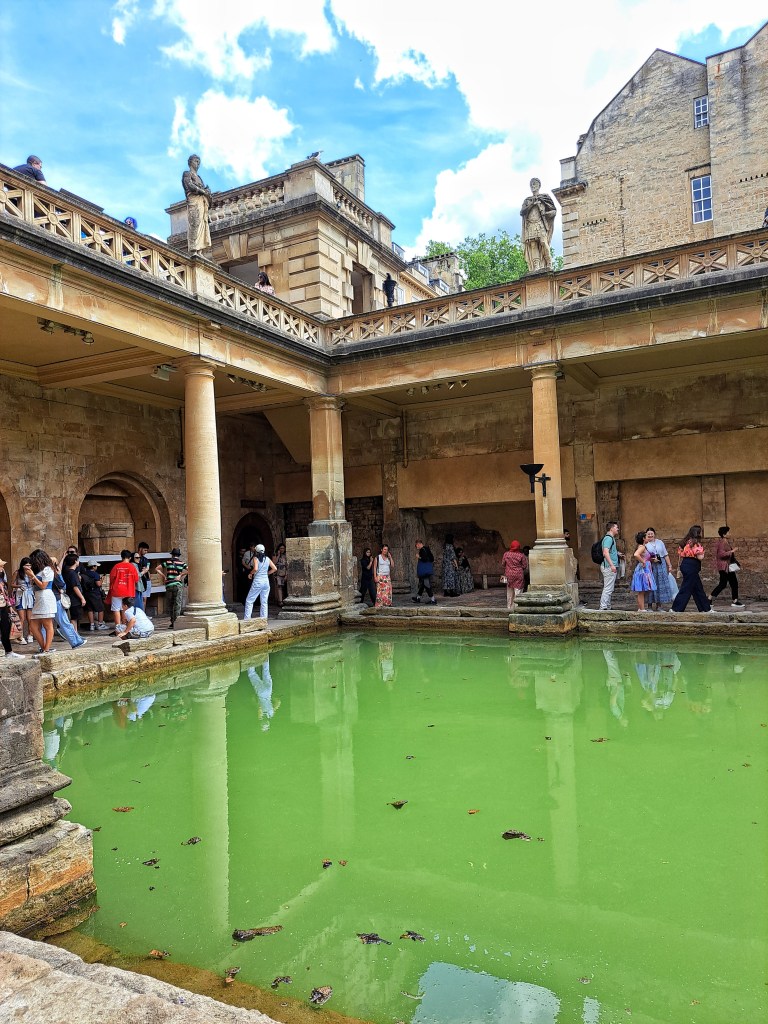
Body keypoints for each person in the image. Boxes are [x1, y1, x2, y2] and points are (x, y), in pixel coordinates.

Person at [671, 525, 712, 613]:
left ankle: (705, 608)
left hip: (685, 564)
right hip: (692, 565)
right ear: (697, 533)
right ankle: (675, 608)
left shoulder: (684, 542)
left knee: (697, 588)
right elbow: (700, 557)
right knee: (686, 588)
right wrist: (703, 553)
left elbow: (680, 553)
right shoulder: (695, 543)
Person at [520, 177, 556, 272]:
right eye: (531, 184)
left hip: (540, 223)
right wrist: (532, 204)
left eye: (535, 184)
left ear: (539, 185)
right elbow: (522, 212)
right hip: (530, 225)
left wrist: (546, 213)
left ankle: (548, 262)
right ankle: (536, 266)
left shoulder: (544, 197)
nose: (533, 186)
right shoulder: (527, 200)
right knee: (533, 245)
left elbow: (553, 211)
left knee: (543, 242)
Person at [26, 549, 57, 653]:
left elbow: (43, 586)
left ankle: (46, 649)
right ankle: (44, 647)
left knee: (48, 624)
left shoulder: (48, 569)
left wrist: (33, 576)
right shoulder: (40, 570)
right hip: (38, 598)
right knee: (33, 625)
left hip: (46, 597)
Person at [182, 154, 213, 253]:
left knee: (202, 225)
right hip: (194, 201)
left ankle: (200, 250)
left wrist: (206, 190)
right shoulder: (187, 173)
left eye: (199, 162)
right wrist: (202, 191)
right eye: (196, 161)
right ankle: (193, 249)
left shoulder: (199, 177)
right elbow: (189, 185)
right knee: (195, 222)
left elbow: (202, 188)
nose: (198, 164)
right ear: (190, 162)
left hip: (201, 201)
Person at [710, 525, 744, 608]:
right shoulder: (722, 542)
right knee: (723, 584)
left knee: (733, 583)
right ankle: (709, 598)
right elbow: (721, 555)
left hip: (727, 567)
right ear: (724, 534)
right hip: (725, 567)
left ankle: (735, 600)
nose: (730, 533)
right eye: (728, 532)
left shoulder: (724, 541)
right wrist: (732, 551)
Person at [108, 550, 140, 630]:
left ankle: (118, 628)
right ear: (130, 558)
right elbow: (136, 579)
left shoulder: (116, 566)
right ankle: (125, 626)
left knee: (116, 609)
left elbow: (111, 578)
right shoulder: (132, 567)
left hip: (117, 591)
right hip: (129, 591)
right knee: (126, 609)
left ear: (121, 557)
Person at [61, 553, 88, 646]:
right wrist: (82, 598)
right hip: (74, 598)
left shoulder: (66, 571)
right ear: (75, 561)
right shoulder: (72, 573)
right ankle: (74, 635)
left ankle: (76, 635)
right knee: (74, 618)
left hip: (69, 596)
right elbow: (75, 587)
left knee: (74, 617)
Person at [244, 544, 276, 620]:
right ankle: (264, 619)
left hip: (258, 581)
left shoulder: (255, 558)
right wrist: (267, 573)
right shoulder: (267, 559)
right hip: (266, 582)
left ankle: (247, 619)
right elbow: (274, 568)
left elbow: (255, 568)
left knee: (249, 600)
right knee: (264, 602)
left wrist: (250, 573)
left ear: (256, 551)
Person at [644, 528, 674, 610]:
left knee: (660, 584)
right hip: (651, 566)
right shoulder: (645, 544)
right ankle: (649, 605)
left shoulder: (660, 542)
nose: (650, 535)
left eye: (651, 533)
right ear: (646, 535)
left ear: (654, 534)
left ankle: (659, 605)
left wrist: (669, 565)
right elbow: (644, 556)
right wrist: (651, 559)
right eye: (648, 534)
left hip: (661, 564)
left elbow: (665, 554)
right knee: (651, 584)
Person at [0, 559, 24, 660]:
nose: (2, 569)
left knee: (5, 628)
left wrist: (9, 607)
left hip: (3, 605)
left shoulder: (2, 581)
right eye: (0, 567)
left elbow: (5, 593)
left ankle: (9, 652)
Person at [158, 548, 188, 628]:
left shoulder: (168, 562)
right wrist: (180, 575)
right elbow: (190, 570)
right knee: (177, 604)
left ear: (172, 554)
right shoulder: (182, 563)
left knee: (170, 604)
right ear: (179, 555)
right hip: (177, 585)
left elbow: (157, 568)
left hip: (169, 585)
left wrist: (164, 576)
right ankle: (176, 622)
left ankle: (172, 622)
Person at [80, 560, 108, 631]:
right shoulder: (95, 574)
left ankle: (91, 625)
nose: (96, 567)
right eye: (96, 566)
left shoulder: (84, 573)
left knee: (90, 609)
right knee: (100, 609)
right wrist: (102, 580)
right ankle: (100, 624)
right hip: (95, 593)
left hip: (87, 593)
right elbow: (98, 584)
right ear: (93, 566)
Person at [13, 557, 35, 645]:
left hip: (30, 595)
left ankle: (30, 635)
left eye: (30, 565)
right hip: (21, 595)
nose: (28, 566)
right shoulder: (17, 573)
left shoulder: (32, 572)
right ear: (22, 565)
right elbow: (12, 584)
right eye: (26, 565)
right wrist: (18, 586)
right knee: (22, 618)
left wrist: (32, 577)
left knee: (30, 618)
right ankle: (20, 637)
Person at [630, 532, 654, 611]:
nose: (648, 538)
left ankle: (641, 608)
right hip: (643, 570)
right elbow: (636, 554)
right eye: (647, 536)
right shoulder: (642, 547)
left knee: (642, 590)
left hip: (644, 568)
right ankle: (642, 608)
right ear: (643, 538)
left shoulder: (642, 547)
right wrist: (643, 562)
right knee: (642, 590)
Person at [599, 522, 621, 610]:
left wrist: (617, 554)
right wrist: (612, 565)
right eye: (616, 527)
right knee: (608, 588)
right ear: (611, 528)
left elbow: (609, 551)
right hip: (608, 566)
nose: (617, 529)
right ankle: (603, 607)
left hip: (609, 566)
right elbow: (605, 552)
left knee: (609, 587)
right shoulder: (608, 539)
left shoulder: (610, 538)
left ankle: (607, 606)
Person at [501, 540, 528, 610]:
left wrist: (509, 567)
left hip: (509, 575)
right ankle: (517, 607)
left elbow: (503, 564)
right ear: (518, 547)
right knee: (518, 591)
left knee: (509, 592)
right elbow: (525, 566)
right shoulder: (521, 555)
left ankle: (509, 607)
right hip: (519, 575)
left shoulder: (506, 554)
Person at [374, 544, 394, 608]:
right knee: (381, 591)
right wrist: (375, 577)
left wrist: (390, 557)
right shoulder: (377, 557)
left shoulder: (388, 558)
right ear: (381, 550)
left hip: (387, 577)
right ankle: (380, 605)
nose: (386, 551)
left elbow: (392, 566)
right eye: (384, 549)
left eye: (387, 549)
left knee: (388, 591)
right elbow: (374, 567)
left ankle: (387, 604)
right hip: (380, 576)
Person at [135, 541, 152, 611]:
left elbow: (147, 569)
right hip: (138, 580)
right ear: (140, 549)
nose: (146, 552)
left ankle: (143, 614)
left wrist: (146, 571)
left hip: (145, 580)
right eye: (145, 550)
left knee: (144, 598)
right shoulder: (134, 557)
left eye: (147, 550)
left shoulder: (145, 559)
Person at [273, 543, 288, 608]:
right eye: (281, 548)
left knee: (286, 587)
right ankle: (280, 601)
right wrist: (278, 555)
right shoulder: (275, 554)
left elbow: (287, 564)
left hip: (285, 572)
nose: (282, 550)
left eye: (283, 548)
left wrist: (286, 574)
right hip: (278, 572)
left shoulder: (286, 555)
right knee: (279, 587)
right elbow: (273, 563)